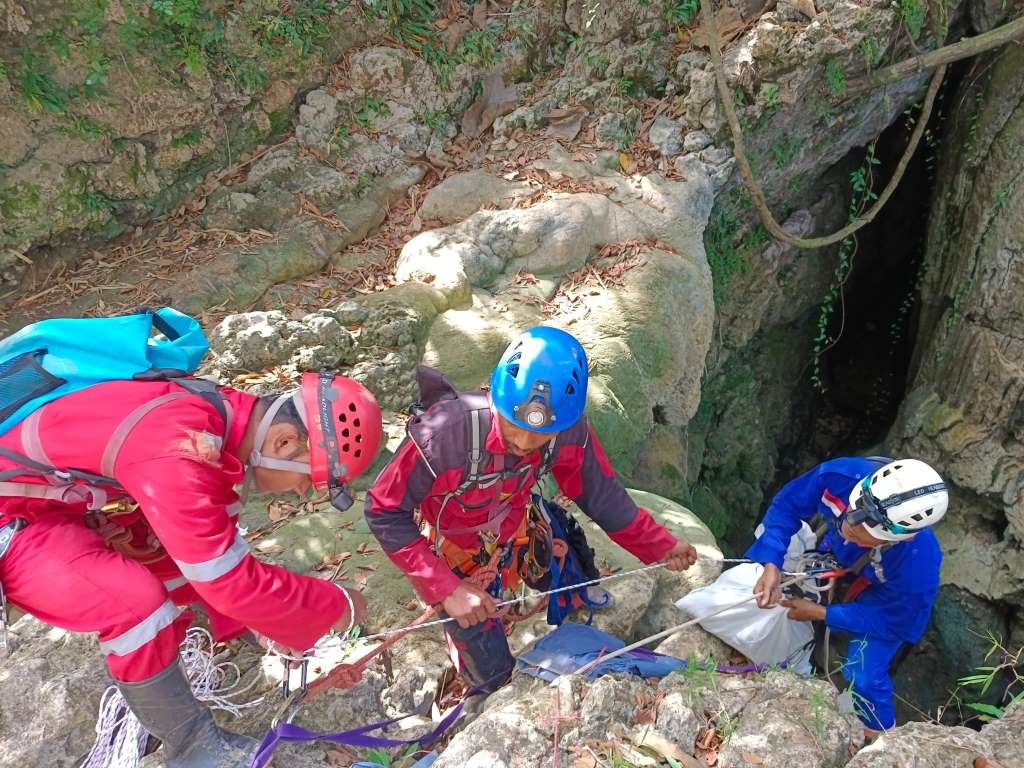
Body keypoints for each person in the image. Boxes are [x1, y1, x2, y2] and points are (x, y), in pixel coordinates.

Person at [0, 372, 382, 767]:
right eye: (312, 478)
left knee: (155, 556)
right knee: (136, 608)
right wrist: (340, 607)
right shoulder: (178, 445)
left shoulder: (214, 418)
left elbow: (208, 554)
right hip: (13, 521)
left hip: (52, 507)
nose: (304, 492)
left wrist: (261, 625)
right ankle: (193, 746)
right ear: (283, 442)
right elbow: (224, 580)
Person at [365, 326, 698, 693]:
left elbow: (601, 495)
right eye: (512, 428)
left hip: (514, 515)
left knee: (572, 558)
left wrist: (660, 546)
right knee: (491, 670)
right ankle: (483, 686)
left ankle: (561, 613)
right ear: (494, 397)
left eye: (538, 437)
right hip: (455, 545)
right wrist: (446, 588)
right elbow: (384, 510)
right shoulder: (444, 437)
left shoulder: (569, 432)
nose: (523, 445)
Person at [746, 456, 947, 737]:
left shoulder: (916, 565)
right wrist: (771, 563)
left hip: (884, 596)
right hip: (845, 558)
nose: (850, 537)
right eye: (849, 526)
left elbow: (892, 620)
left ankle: (879, 737)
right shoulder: (839, 477)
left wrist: (820, 614)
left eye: (861, 538)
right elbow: (786, 505)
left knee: (862, 674)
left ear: (900, 538)